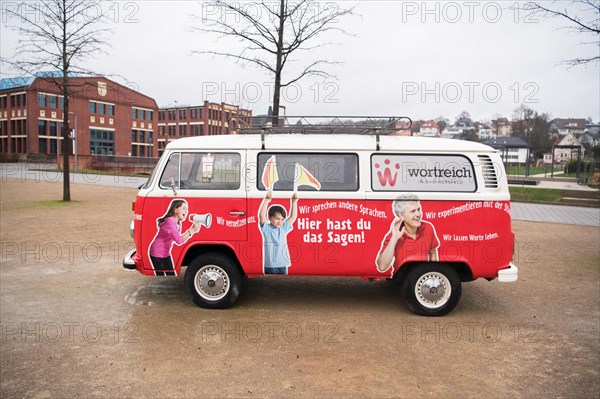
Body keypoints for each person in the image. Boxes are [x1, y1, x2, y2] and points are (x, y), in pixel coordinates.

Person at [376, 193, 439, 273]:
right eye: (413, 211)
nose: (418, 214)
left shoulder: (428, 228)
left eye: (418, 209)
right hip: (401, 280)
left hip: (420, 280)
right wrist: (394, 238)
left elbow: (433, 252)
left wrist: (433, 274)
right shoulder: (394, 235)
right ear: (401, 215)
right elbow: (382, 266)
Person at [149, 199, 199, 276]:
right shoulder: (170, 221)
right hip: (157, 253)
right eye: (183, 208)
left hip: (165, 253)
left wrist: (192, 230)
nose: (186, 211)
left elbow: (178, 238)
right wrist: (192, 230)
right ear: (175, 209)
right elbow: (179, 240)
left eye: (187, 209)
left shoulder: (178, 222)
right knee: (160, 276)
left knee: (171, 274)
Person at [258, 190, 298, 274]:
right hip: (270, 266)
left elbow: (293, 217)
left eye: (282, 219)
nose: (280, 221)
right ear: (269, 218)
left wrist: (294, 202)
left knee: (283, 285)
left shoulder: (283, 228)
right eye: (277, 218)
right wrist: (267, 199)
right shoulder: (267, 229)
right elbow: (261, 215)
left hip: (283, 265)